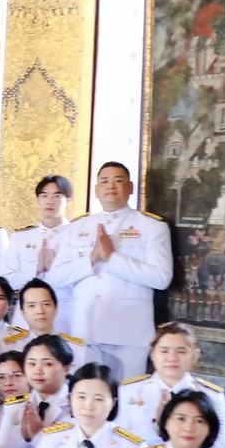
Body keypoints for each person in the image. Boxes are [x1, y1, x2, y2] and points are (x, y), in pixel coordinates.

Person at [50, 161, 172, 380]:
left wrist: (112, 258)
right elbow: (55, 277)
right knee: (85, 395)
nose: (111, 185)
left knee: (127, 396)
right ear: (96, 189)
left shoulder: (152, 226)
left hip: (128, 332)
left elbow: (161, 278)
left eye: (118, 180)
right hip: (85, 331)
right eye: (104, 181)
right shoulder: (77, 227)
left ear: (131, 188)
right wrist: (91, 259)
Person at [117, 324, 225, 448]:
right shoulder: (130, 391)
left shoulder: (212, 396)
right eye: (164, 351)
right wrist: (158, 427)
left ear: (194, 355)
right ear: (152, 354)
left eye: (181, 351)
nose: (172, 357)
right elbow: (121, 444)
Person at [6, 174, 77, 321]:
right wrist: (35, 270)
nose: (49, 201)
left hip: (64, 315)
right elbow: (7, 280)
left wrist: (56, 269)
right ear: (38, 199)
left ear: (69, 200)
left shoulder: (78, 236)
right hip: (26, 317)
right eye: (44, 196)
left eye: (57, 196)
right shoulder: (21, 237)